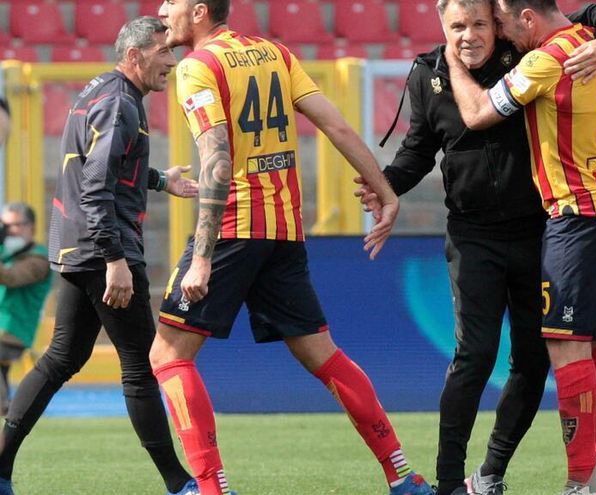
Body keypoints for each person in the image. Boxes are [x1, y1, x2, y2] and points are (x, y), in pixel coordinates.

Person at [149, 2, 432, 494]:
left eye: (171, 1)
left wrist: (203, 256)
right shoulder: (274, 53)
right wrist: (385, 191)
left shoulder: (197, 66)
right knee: (323, 355)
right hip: (283, 228)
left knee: (168, 355)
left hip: (234, 226)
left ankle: (212, 488)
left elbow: (216, 158)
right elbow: (336, 125)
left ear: (198, 11)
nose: (161, 10)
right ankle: (403, 476)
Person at [356, 0, 596, 493]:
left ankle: (492, 472)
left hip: (536, 232)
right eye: (458, 26)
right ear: (442, 25)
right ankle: (448, 482)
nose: (470, 35)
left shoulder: (522, 51)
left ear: (496, 24)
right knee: (475, 356)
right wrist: (386, 186)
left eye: (480, 23)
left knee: (533, 361)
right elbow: (418, 149)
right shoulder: (427, 74)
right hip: (472, 236)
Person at [444, 1, 596, 493]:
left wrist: (451, 61)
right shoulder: (589, 41)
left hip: (578, 216)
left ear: (528, 18)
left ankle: (580, 481)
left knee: (566, 346)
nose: (504, 35)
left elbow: (477, 113)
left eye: (505, 24)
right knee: (595, 340)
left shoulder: (545, 59)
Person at [0, 17, 202, 495]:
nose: (172, 61)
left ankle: (1, 468)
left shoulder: (101, 91)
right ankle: (180, 483)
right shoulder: (120, 104)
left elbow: (105, 166)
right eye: (162, 51)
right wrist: (115, 260)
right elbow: (96, 187)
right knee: (140, 365)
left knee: (60, 358)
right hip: (104, 249)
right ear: (134, 55)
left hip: (76, 245)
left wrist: (161, 180)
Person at [0, 203, 52, 416]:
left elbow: (11, 278)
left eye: (13, 225)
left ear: (31, 227)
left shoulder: (38, 259)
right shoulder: (8, 253)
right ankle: (9, 413)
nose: (8, 231)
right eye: (4, 226)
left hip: (13, 331)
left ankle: (6, 409)